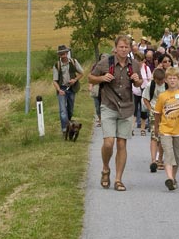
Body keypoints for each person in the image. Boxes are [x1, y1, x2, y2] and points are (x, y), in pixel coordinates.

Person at [89, 35, 143, 192]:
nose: (124, 50)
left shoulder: (134, 64)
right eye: (121, 47)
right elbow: (90, 78)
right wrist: (101, 78)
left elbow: (139, 84)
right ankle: (105, 169)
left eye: (126, 47)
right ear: (116, 48)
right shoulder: (106, 62)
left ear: (130, 48)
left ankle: (118, 180)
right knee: (108, 142)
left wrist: (137, 79)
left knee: (121, 143)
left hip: (127, 107)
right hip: (109, 105)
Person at [52, 45, 84, 134]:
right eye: (61, 54)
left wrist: (75, 80)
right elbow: (54, 81)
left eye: (64, 53)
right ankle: (64, 129)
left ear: (67, 53)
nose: (63, 55)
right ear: (59, 55)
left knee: (70, 109)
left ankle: (68, 123)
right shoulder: (56, 65)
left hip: (71, 88)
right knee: (62, 110)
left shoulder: (73, 62)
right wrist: (59, 90)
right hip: (61, 88)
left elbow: (81, 73)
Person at [142, 68, 167, 172]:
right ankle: (153, 160)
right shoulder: (150, 85)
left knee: (162, 137)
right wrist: (150, 109)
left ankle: (160, 159)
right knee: (154, 136)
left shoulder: (167, 85)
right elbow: (145, 98)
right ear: (154, 79)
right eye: (158, 81)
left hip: (166, 113)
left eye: (162, 81)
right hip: (154, 112)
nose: (160, 83)